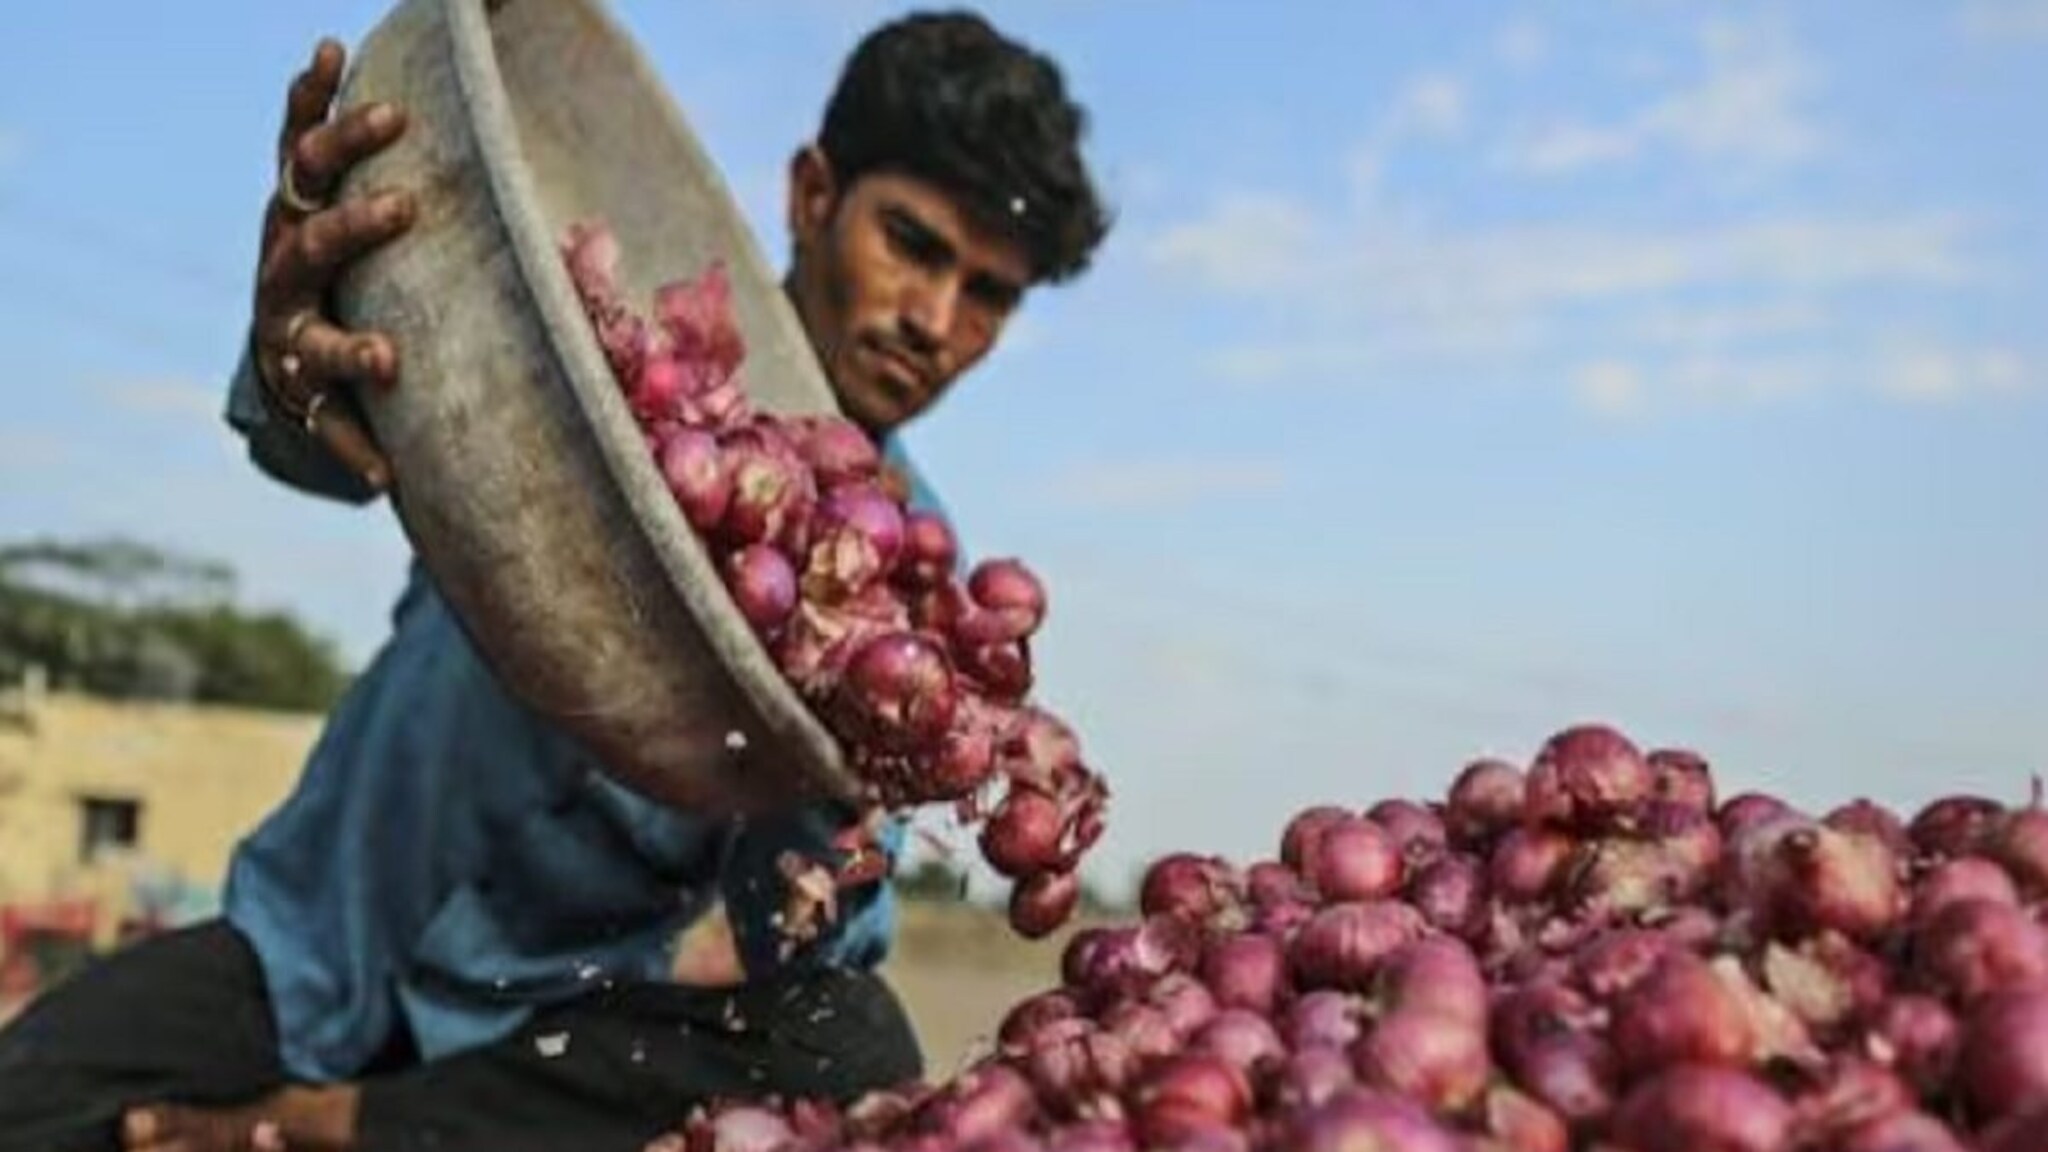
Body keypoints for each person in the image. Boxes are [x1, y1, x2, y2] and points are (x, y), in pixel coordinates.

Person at [0, 10, 1111, 1152]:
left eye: (988, 295)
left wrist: (843, 799)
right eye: (912, 245)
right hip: (317, 952)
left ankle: (336, 1127)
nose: (934, 321)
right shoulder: (603, 356)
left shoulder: (916, 596)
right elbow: (341, 435)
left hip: (551, 1030)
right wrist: (300, 351)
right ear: (813, 194)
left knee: (851, 1039)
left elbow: (810, 936)